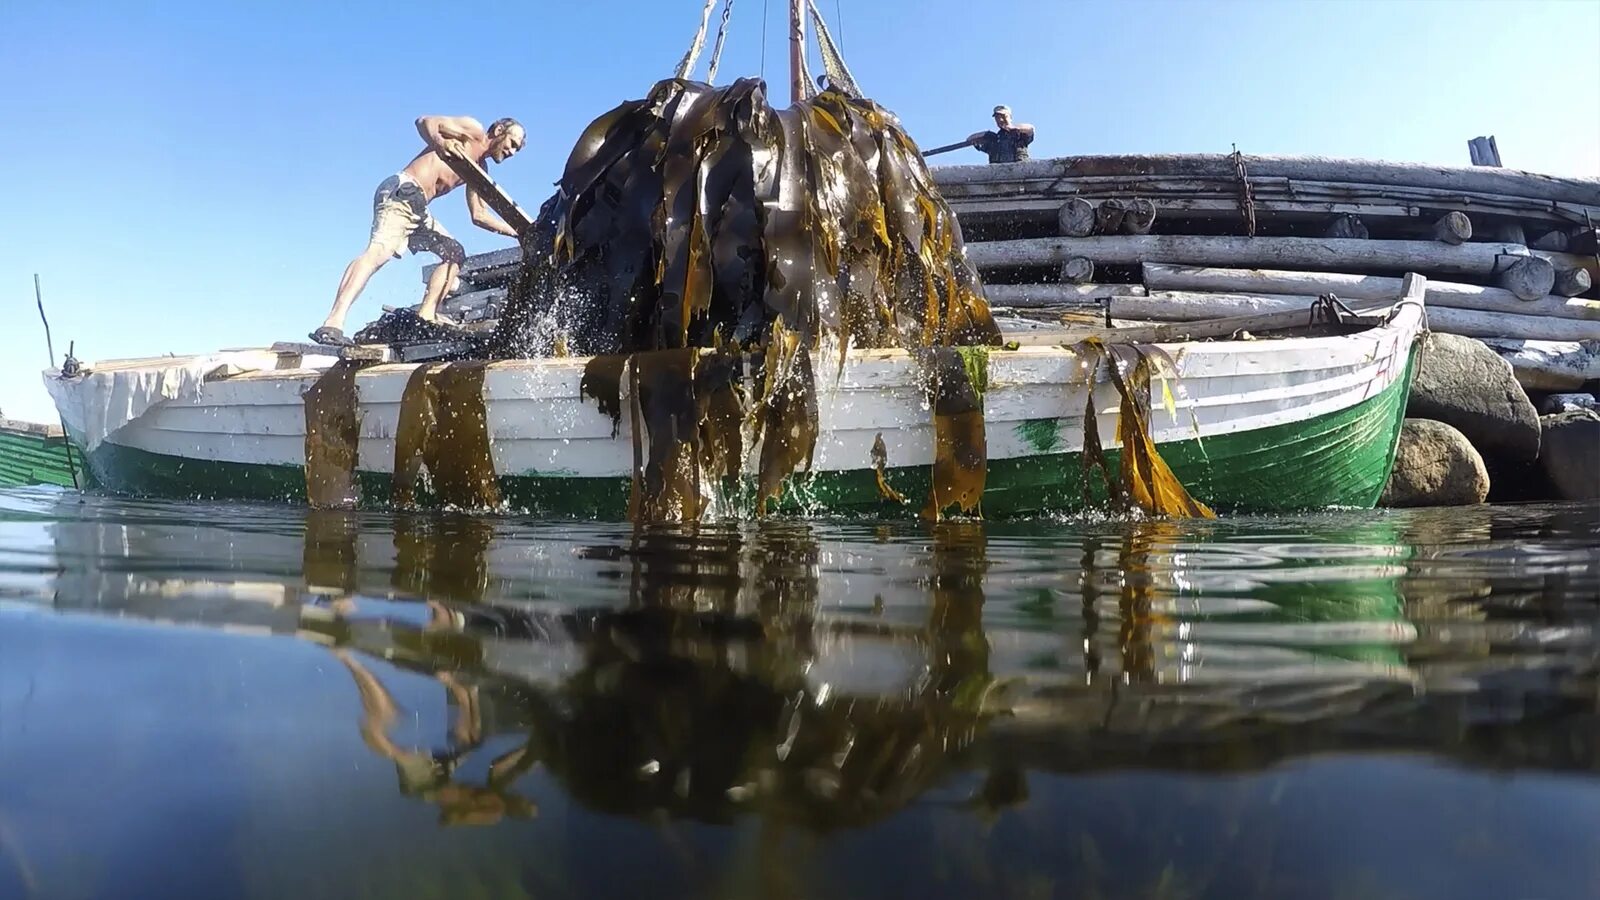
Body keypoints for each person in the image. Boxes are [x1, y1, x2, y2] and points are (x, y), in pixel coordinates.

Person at [311, 116, 527, 346]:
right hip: (403, 190)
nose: (512, 152)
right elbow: (424, 122)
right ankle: (333, 322)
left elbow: (479, 215)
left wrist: (518, 232)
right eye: (512, 143)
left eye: (517, 149)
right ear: (499, 129)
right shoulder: (473, 130)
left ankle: (426, 315)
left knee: (454, 253)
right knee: (379, 252)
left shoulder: (479, 170)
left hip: (420, 207)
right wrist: (440, 143)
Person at [967, 105, 1035, 165]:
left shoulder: (1020, 134)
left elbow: (1031, 129)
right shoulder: (993, 140)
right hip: (999, 174)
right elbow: (970, 139)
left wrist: (1014, 128)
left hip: (1019, 170)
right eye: (997, 118)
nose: (1000, 120)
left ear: (1010, 117)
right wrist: (986, 134)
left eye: (1004, 116)